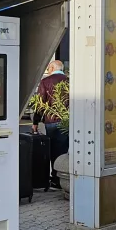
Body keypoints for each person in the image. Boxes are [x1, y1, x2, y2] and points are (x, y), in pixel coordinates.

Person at [32, 60, 69, 189]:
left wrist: (35, 122)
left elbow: (40, 103)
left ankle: (56, 179)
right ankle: (66, 177)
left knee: (54, 150)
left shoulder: (46, 82)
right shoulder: (69, 81)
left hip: (52, 121)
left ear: (52, 67)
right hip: (68, 120)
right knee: (66, 149)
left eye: (48, 67)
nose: (47, 69)